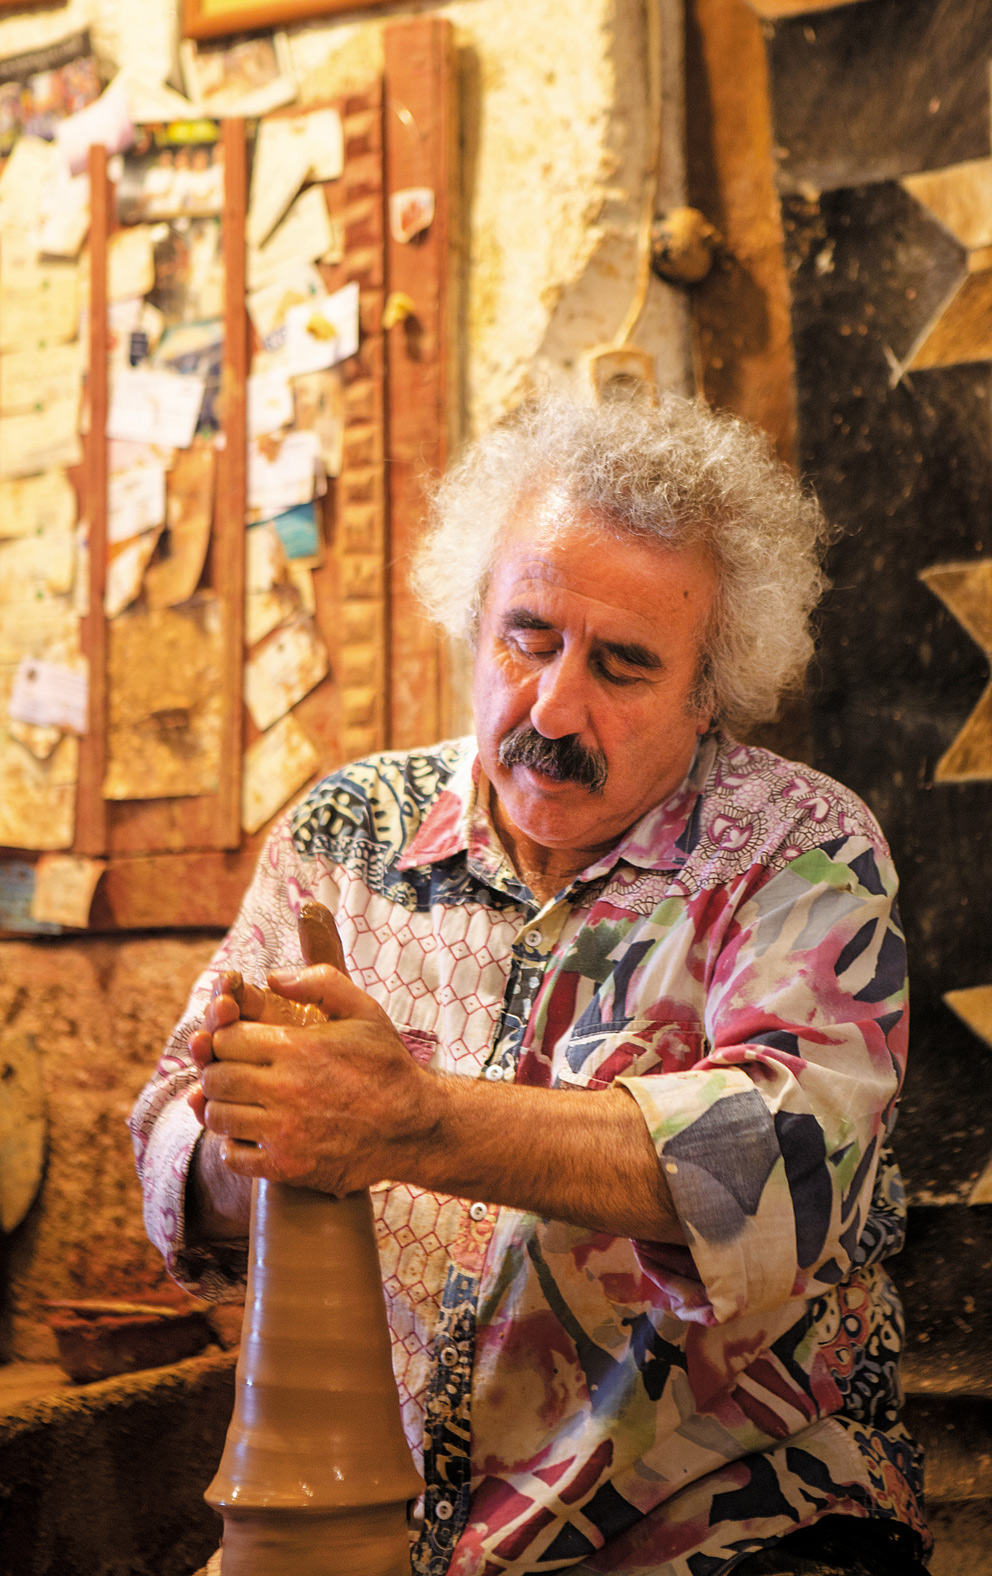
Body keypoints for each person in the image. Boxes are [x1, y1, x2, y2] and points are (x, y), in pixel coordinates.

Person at [132, 395, 927, 1576]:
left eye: (622, 666)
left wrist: (412, 1120)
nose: (554, 707)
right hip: (372, 1529)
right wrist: (258, 1130)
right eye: (530, 637)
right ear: (474, 620)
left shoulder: (799, 848)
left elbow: (785, 1169)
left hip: (726, 1522)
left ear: (709, 692)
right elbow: (164, 1150)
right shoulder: (344, 834)